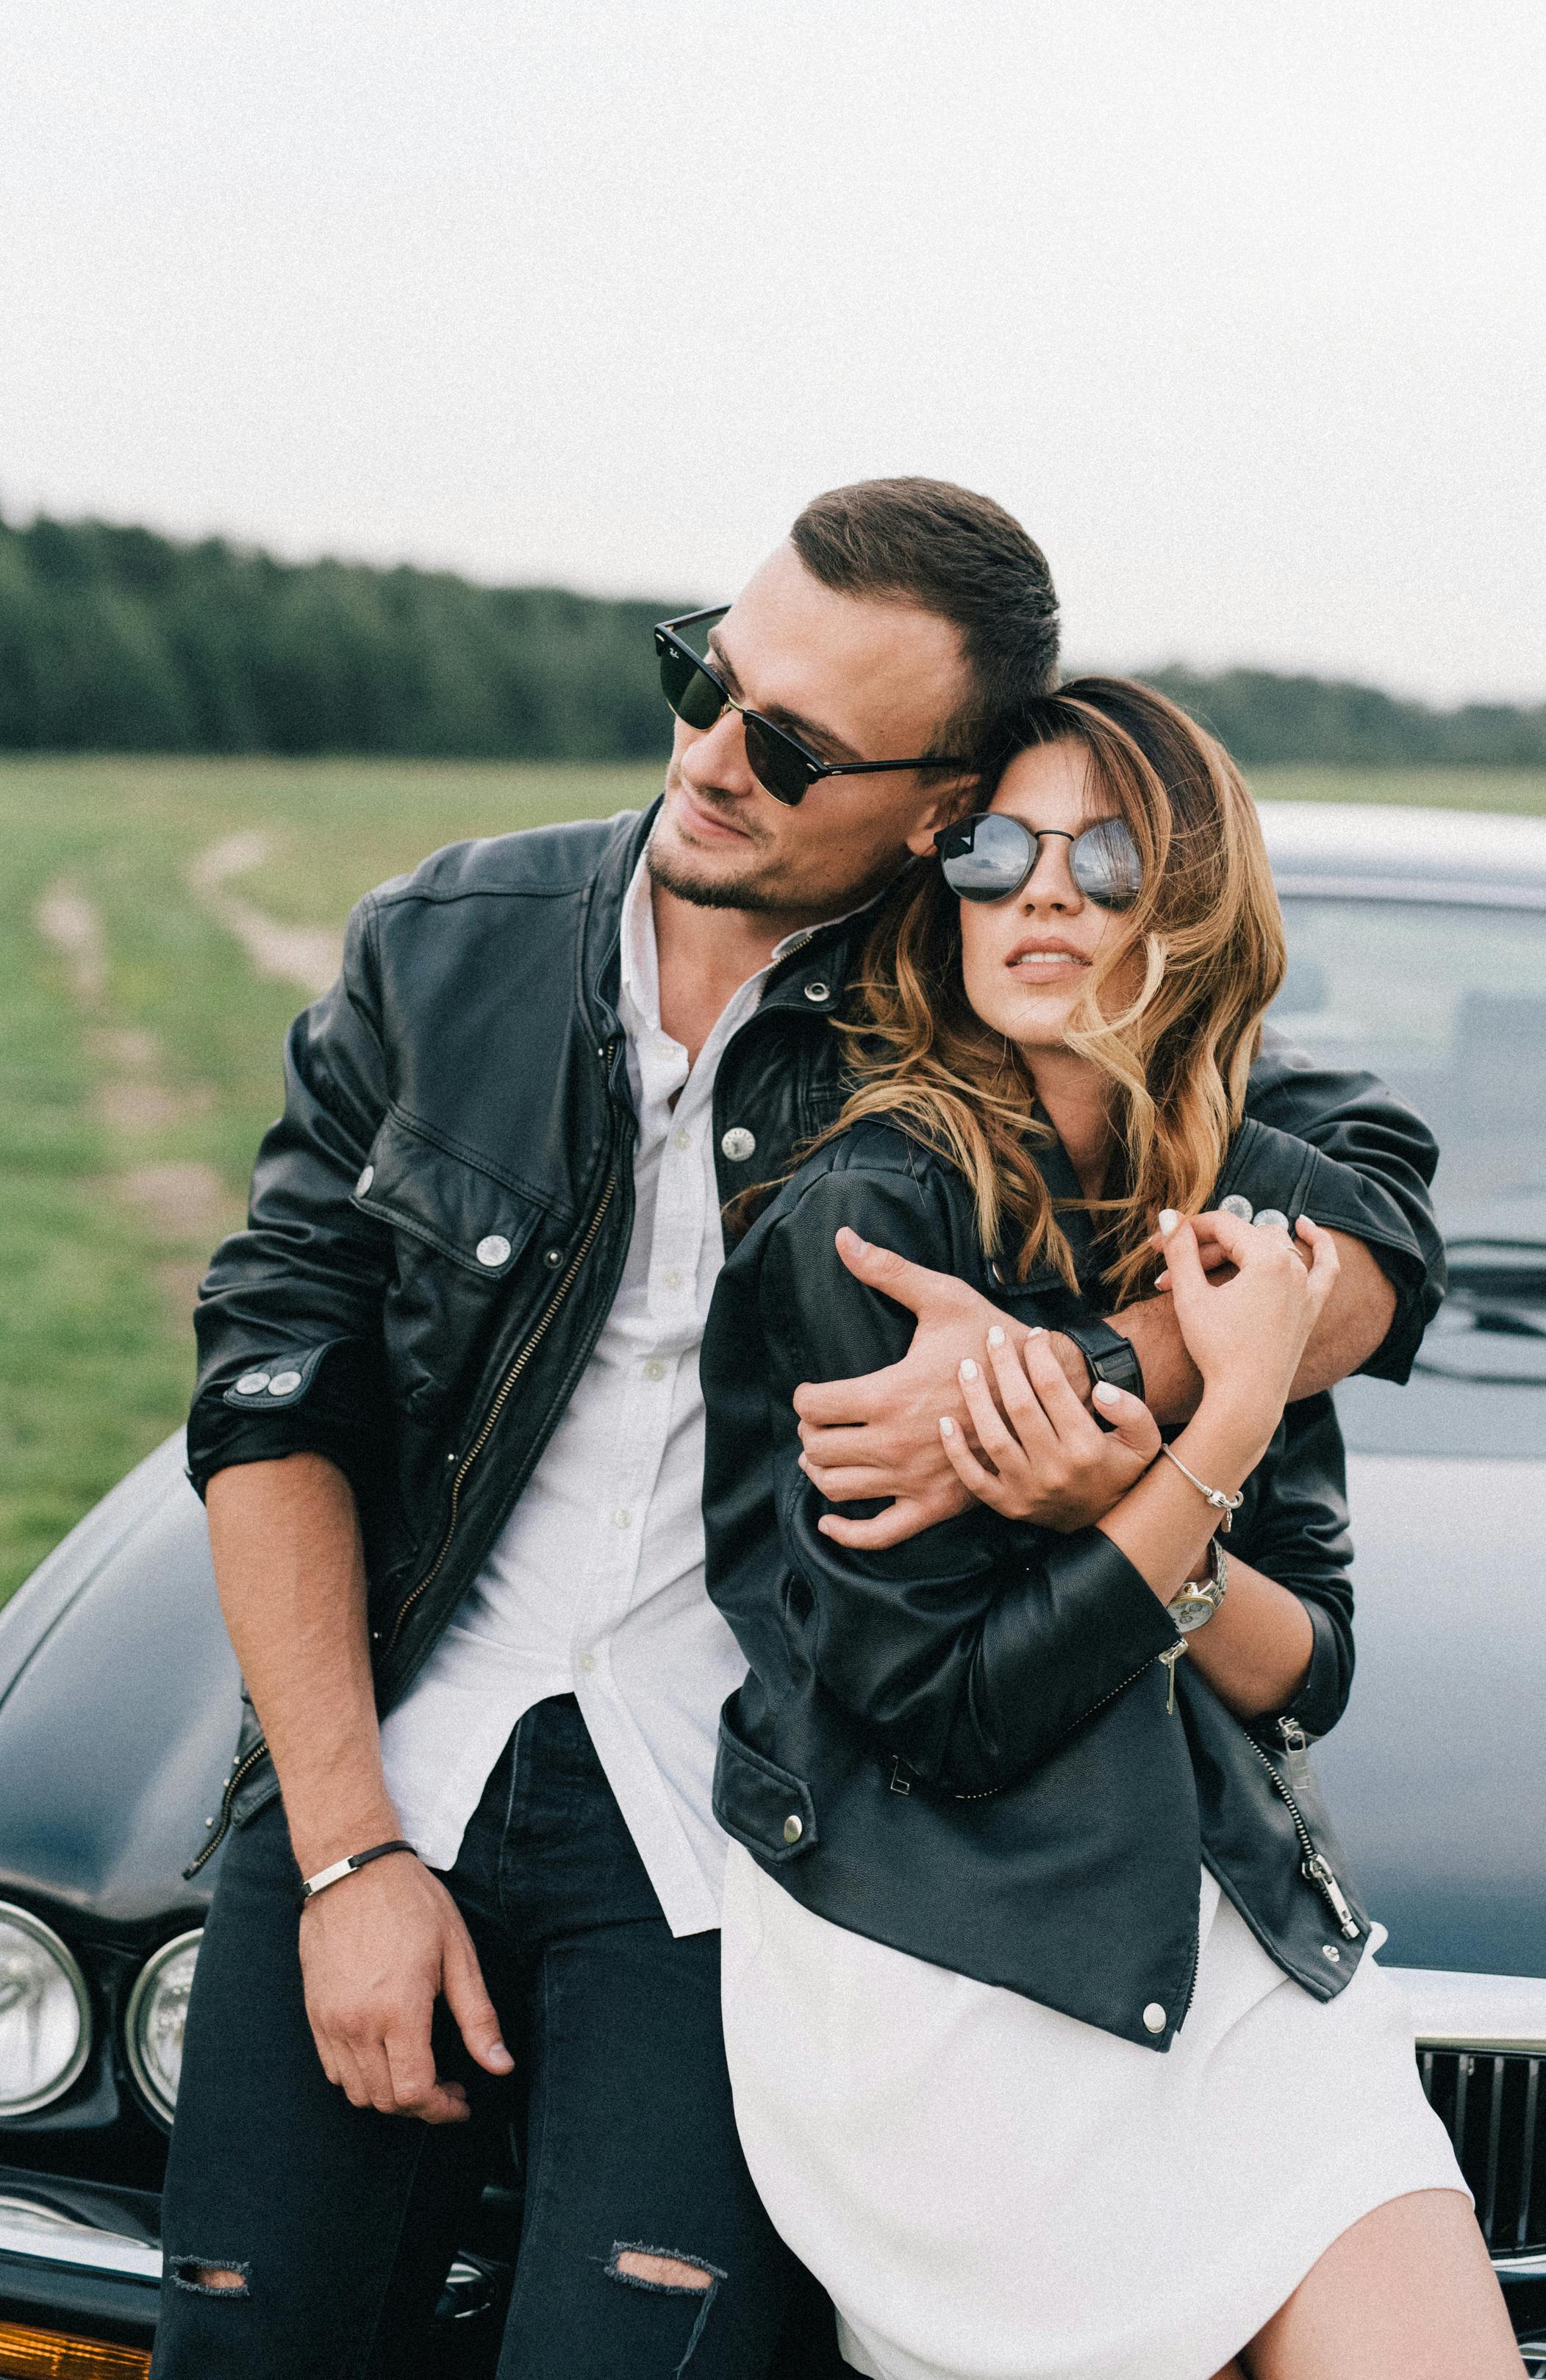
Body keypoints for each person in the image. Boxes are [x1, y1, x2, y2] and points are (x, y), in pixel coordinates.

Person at [157, 480, 1447, 2379]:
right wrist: (349, 1856)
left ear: (941, 807)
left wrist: (1078, 1372)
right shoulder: (450, 939)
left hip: (740, 1821)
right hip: (389, 1745)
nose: (711, 757)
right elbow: (273, 1370)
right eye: (704, 677)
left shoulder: (977, 997)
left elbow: (1363, 1202)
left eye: (791, 745)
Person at [704, 677, 1523, 2380]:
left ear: (1193, 895)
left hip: (1231, 1931)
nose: (1044, 891)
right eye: (995, 848)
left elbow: (1306, 1667)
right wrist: (1212, 1425)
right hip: (946, 1956)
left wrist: (1138, 1503)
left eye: (1105, 851)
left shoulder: (1243, 1194)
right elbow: (948, 1711)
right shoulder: (871, 1210)